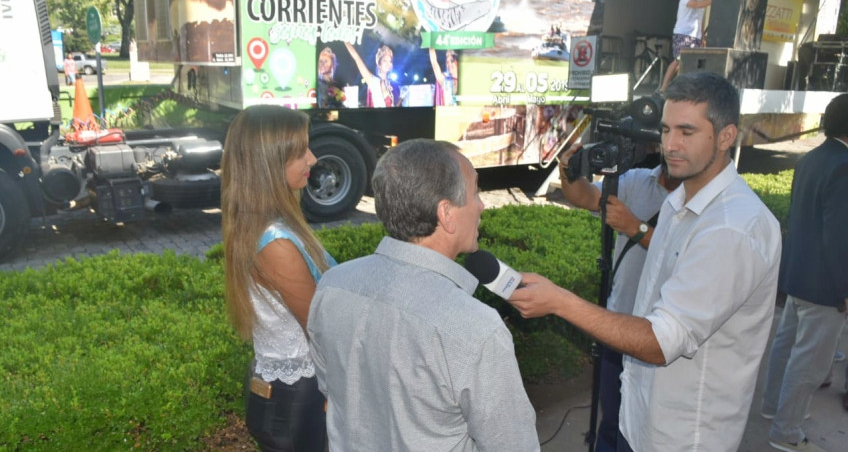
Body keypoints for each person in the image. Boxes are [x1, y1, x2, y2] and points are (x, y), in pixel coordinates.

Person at [509, 71, 781, 451]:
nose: (670, 144)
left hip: (683, 437)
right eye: (666, 130)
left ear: (726, 136)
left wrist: (560, 301)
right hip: (640, 419)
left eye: (686, 132)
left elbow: (661, 341)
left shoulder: (733, 229)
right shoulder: (678, 200)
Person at [307, 139, 539, 451]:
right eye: (475, 193)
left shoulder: (334, 285)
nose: (481, 206)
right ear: (447, 213)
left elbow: (330, 387)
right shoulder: (476, 329)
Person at [221, 105, 336, 452]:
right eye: (300, 152)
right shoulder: (276, 242)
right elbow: (320, 327)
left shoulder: (259, 226)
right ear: (269, 163)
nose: (313, 159)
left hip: (284, 390)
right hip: (298, 398)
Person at [557, 143, 680, 452]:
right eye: (668, 132)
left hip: (660, 338)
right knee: (611, 423)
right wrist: (568, 171)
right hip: (617, 327)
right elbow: (584, 196)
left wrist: (635, 228)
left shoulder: (701, 202)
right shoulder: (638, 180)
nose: (674, 143)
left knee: (646, 433)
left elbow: (686, 259)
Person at [760, 93, 848, 452]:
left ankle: (772, 408)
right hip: (826, 283)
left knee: (786, 347)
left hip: (799, 272)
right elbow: (839, 235)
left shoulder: (811, 159)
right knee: (810, 361)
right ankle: (787, 432)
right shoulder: (844, 166)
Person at [659, 0, 712, 93]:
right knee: (678, 60)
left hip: (696, 37)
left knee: (690, 63)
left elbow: (701, 20)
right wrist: (712, 1)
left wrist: (703, 37)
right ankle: (663, 87)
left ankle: (680, 87)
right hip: (683, 34)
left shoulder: (701, 0)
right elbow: (695, 5)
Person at [344, 42, 400, 108]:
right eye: (385, 61)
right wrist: (346, 41)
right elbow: (357, 58)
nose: (388, 63)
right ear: (379, 64)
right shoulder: (373, 80)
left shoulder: (393, 85)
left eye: (389, 61)